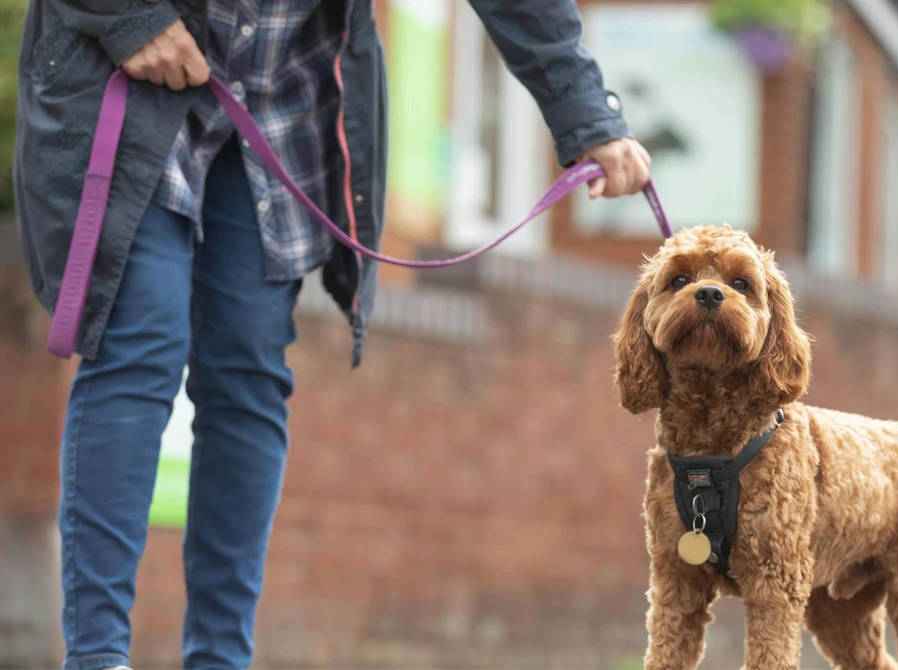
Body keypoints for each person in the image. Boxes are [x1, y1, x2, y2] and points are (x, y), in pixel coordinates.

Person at [14, 1, 651, 668]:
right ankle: (96, 658)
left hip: (279, 94)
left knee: (247, 373)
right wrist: (127, 15)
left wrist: (588, 116)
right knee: (140, 342)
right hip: (136, 68)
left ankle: (222, 659)